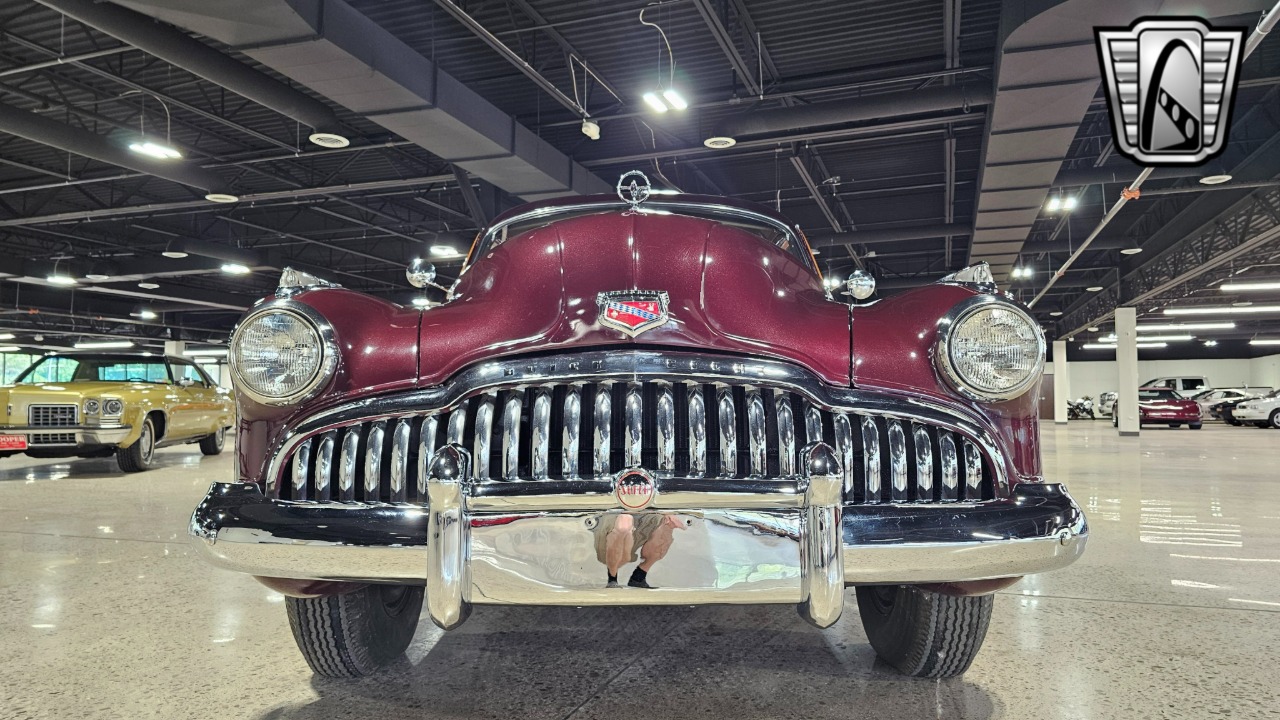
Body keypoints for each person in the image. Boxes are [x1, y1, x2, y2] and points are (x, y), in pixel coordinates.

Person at [592, 512, 685, 588]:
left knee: (667, 524)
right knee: (624, 522)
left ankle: (639, 577)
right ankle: (612, 579)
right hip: (614, 512)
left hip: (644, 511)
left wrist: (668, 513)